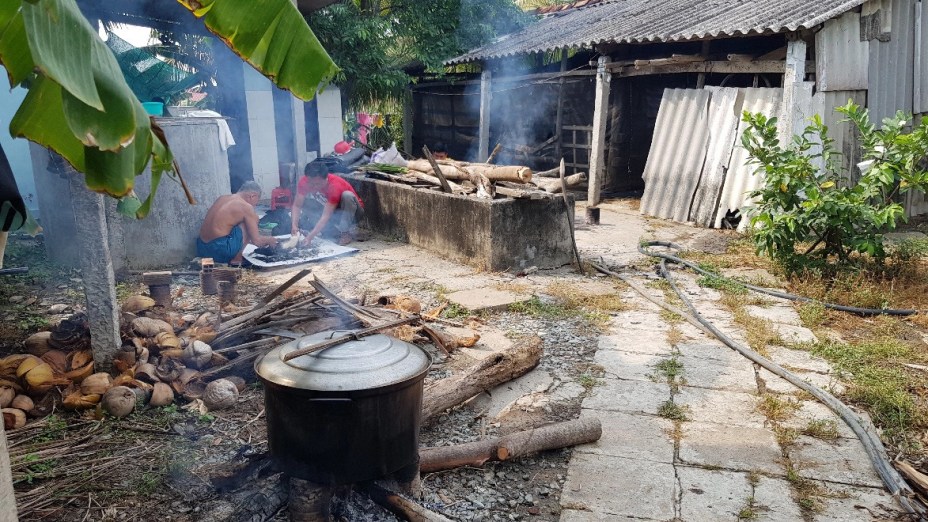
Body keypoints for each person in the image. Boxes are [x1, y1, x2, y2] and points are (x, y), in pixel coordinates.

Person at [197, 181, 278, 265]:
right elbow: (256, 241)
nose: (255, 205)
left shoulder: (222, 198)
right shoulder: (246, 207)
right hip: (219, 252)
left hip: (202, 249)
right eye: (256, 202)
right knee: (252, 219)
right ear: (252, 196)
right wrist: (270, 240)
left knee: (239, 222)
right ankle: (237, 259)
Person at [291, 160, 364, 246]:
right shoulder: (304, 182)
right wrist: (294, 225)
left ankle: (345, 233)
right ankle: (331, 231)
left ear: (325, 178)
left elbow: (326, 215)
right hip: (333, 212)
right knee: (307, 203)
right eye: (311, 183)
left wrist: (310, 237)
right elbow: (297, 205)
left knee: (347, 195)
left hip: (352, 213)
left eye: (317, 183)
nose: (314, 186)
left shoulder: (335, 185)